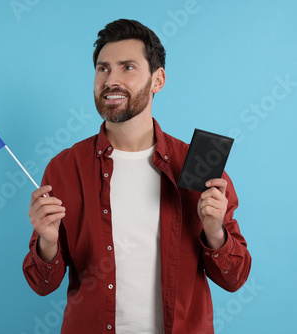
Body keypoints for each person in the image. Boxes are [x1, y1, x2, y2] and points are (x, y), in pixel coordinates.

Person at [23, 19, 251, 334]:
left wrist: (215, 233)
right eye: (103, 69)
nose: (111, 80)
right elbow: (42, 284)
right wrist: (47, 243)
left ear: (158, 80)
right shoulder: (64, 168)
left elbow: (234, 278)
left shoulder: (199, 164)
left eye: (127, 67)